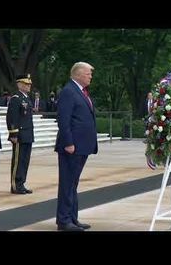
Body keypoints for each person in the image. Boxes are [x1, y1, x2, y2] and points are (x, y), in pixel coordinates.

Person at [54, 62, 98, 231]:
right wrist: (69, 142)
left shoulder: (80, 91)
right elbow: (64, 120)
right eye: (88, 74)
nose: (90, 77)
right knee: (67, 184)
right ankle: (64, 221)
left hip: (82, 146)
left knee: (73, 184)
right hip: (72, 146)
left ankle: (72, 217)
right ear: (78, 74)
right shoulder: (69, 91)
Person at [6, 74, 34, 194]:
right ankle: (15, 185)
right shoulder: (16, 98)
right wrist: (13, 134)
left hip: (28, 133)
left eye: (29, 84)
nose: (28, 86)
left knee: (25, 160)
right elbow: (12, 117)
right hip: (20, 134)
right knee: (18, 160)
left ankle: (21, 183)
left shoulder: (26, 98)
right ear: (19, 84)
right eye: (26, 84)